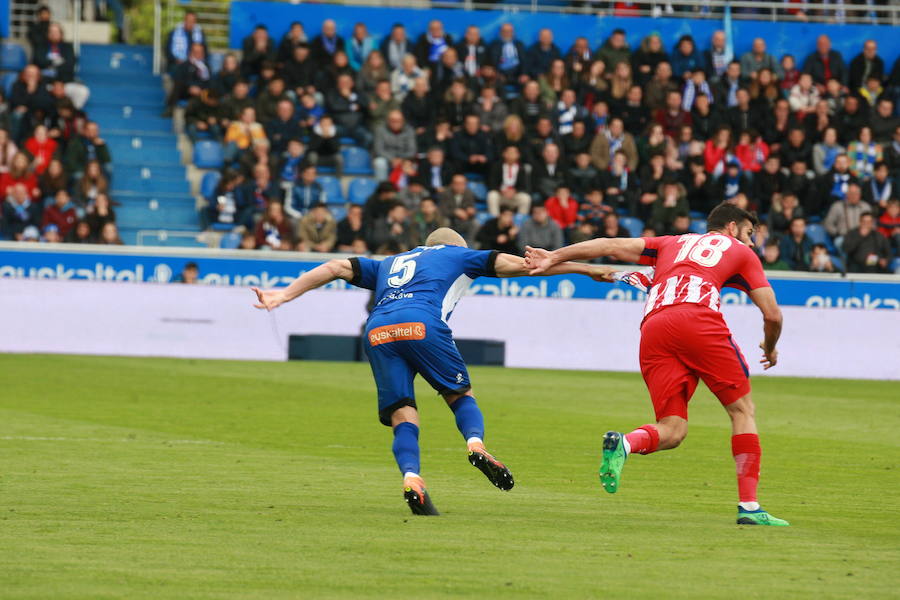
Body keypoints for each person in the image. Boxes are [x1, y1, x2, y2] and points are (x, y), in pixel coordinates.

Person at [251, 227, 608, 515]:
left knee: (403, 412)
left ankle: (412, 478)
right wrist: (586, 269)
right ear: (456, 246)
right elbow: (531, 267)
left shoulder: (390, 262)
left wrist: (282, 296)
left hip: (377, 331)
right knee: (458, 395)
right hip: (422, 325)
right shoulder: (459, 255)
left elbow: (333, 267)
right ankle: (476, 444)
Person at [525, 202, 789, 526]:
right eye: (749, 234)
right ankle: (749, 507)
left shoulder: (670, 245)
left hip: (654, 328)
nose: (751, 243)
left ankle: (624, 442)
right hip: (698, 319)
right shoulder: (739, 251)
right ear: (732, 228)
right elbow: (773, 314)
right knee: (742, 411)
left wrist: (554, 256)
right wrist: (771, 347)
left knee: (673, 429)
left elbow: (608, 249)